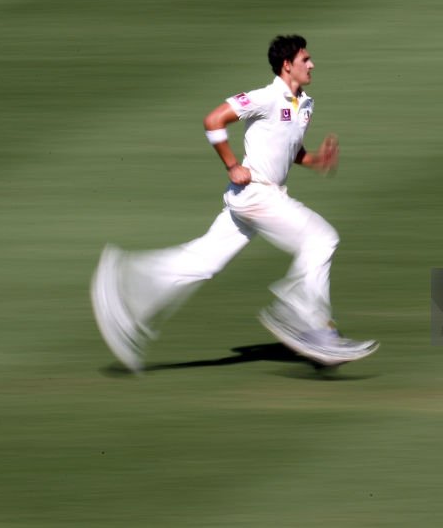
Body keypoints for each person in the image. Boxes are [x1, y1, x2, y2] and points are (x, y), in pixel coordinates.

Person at [91, 35, 379, 372]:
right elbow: (213, 120)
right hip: (256, 193)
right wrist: (232, 164)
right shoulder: (265, 97)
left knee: (203, 262)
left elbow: (288, 147)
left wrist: (315, 160)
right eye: (306, 60)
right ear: (287, 65)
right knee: (322, 238)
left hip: (259, 197)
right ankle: (308, 323)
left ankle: (124, 286)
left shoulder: (304, 104)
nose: (312, 65)